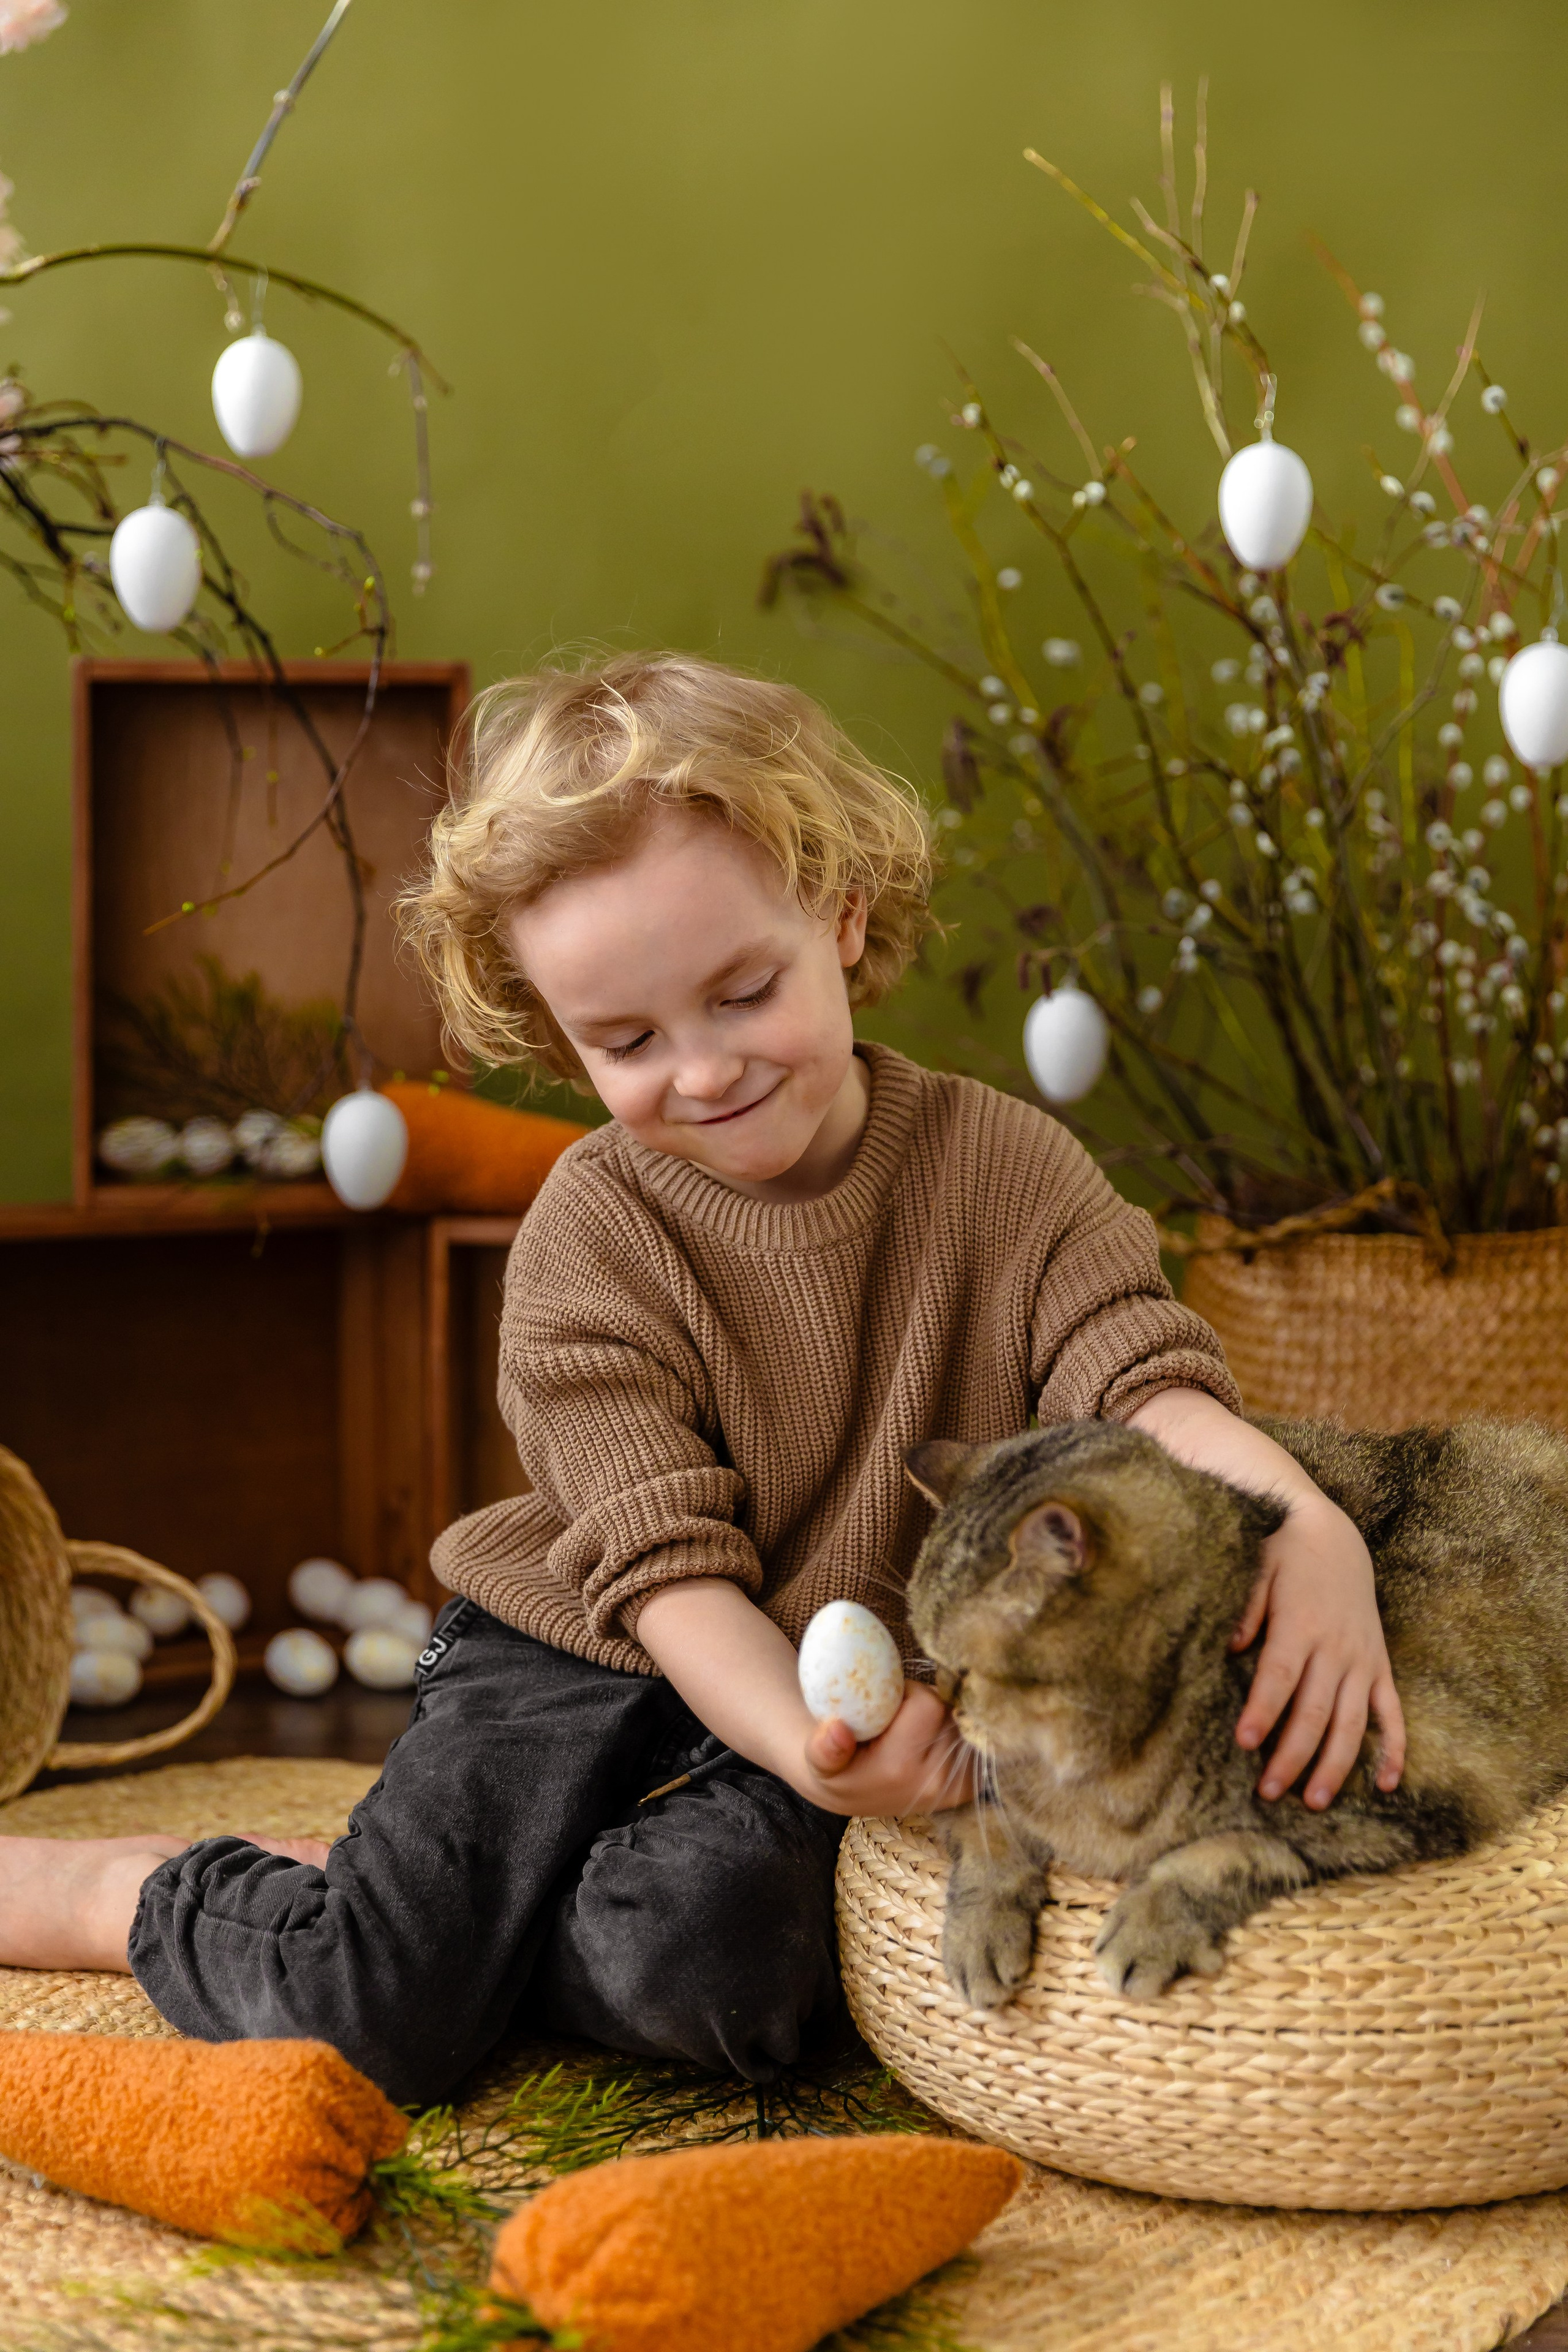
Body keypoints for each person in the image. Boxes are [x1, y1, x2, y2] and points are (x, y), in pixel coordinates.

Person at [0, 654, 1404, 2107]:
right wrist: (799, 1746)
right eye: (624, 1042)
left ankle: (452, 1924)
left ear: (838, 913)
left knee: (721, 1976)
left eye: (742, 994)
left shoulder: (1009, 1170)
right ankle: (129, 1895)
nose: (703, 1071)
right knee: (369, 2016)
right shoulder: (590, 1238)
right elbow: (663, 1577)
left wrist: (1305, 1526)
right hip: (579, 1646)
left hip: (822, 1677)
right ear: (559, 1033)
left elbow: (1146, 1388)